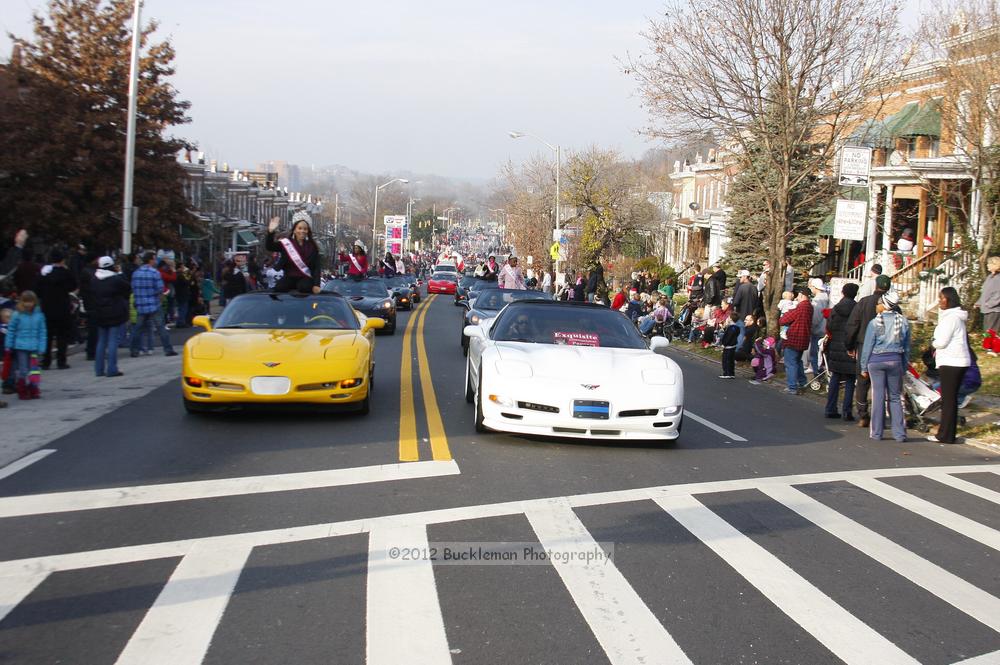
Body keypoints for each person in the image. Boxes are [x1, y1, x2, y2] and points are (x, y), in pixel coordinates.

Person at [859, 291, 910, 442]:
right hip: (895, 361)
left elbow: (867, 346)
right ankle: (899, 433)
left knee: (878, 396)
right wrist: (904, 365)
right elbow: (907, 347)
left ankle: (877, 433)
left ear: (883, 305)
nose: (876, 305)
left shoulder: (875, 323)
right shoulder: (903, 322)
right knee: (895, 396)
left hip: (876, 361)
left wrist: (863, 367)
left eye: (878, 303)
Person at [845, 273, 892, 428]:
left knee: (863, 381)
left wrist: (849, 345)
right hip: (886, 348)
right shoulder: (893, 306)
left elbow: (853, 325)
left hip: (864, 346)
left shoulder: (864, 302)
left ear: (875, 285)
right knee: (881, 384)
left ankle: (863, 414)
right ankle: (879, 416)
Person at [929, 286, 970, 443]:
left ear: (950, 299)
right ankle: (948, 433)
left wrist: (933, 343)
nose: (940, 301)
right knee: (950, 399)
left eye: (942, 298)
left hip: (952, 361)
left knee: (948, 400)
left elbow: (942, 341)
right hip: (958, 361)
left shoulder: (951, 318)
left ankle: (945, 434)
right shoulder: (955, 317)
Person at [130, 252, 177, 358]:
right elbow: (160, 289)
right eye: (154, 259)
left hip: (141, 304)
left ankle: (134, 350)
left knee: (138, 328)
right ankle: (168, 349)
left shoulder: (136, 273)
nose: (155, 261)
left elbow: (133, 288)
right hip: (153, 304)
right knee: (161, 327)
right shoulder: (154, 273)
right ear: (151, 260)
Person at [36, 248, 77, 370]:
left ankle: (46, 361)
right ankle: (61, 361)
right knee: (62, 335)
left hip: (47, 307)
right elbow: (73, 286)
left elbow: (37, 290)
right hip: (62, 307)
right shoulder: (66, 273)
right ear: (63, 260)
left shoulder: (44, 273)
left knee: (47, 335)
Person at [825, 282, 859, 420]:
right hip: (850, 347)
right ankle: (847, 411)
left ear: (843, 293)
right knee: (850, 379)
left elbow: (829, 326)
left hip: (836, 346)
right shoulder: (857, 309)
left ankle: (830, 408)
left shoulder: (836, 308)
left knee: (835, 377)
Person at [92, 256, 130, 377]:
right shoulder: (115, 279)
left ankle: (99, 369)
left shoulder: (94, 279)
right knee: (112, 341)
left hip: (99, 312)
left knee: (101, 341)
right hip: (114, 312)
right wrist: (119, 273)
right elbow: (128, 288)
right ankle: (112, 369)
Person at [5, 290, 46, 399]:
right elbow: (11, 331)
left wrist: (42, 347)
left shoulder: (39, 315)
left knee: (34, 370)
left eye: (30, 301)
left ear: (34, 302)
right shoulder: (17, 315)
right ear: (21, 302)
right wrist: (8, 345)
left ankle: (33, 389)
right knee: (23, 370)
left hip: (34, 347)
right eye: (25, 301)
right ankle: (22, 389)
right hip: (21, 346)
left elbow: (42, 332)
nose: (28, 304)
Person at [266, 214, 322, 293]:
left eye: (305, 229)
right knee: (279, 288)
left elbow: (317, 267)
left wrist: (317, 284)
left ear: (308, 231)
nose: (302, 231)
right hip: (289, 277)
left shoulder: (312, 246)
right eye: (299, 228)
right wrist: (270, 232)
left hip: (305, 278)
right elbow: (270, 247)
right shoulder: (286, 243)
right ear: (294, 230)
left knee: (304, 288)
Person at [778, 287, 813, 395]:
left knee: (790, 362)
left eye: (798, 295)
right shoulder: (810, 307)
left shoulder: (801, 307)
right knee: (798, 361)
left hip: (794, 337)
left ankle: (792, 386)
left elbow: (783, 320)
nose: (797, 297)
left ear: (802, 295)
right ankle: (802, 383)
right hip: (803, 338)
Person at [732, 269, 759, 349]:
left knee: (741, 333)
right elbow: (757, 302)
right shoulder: (754, 288)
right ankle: (747, 349)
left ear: (745, 277)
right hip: (751, 316)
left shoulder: (742, 287)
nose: (739, 279)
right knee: (749, 336)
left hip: (742, 315)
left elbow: (736, 302)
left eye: (740, 277)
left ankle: (738, 350)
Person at [975, 256, 1000, 341]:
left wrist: (989, 304)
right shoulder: (990, 277)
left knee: (991, 330)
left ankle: (992, 348)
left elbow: (998, 294)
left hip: (994, 309)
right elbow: (985, 292)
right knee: (987, 329)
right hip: (986, 308)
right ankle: (988, 346)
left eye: (989, 263)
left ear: (996, 265)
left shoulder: (998, 278)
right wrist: (979, 302)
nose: (987, 265)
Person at [808, 278, 830, 375]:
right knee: (821, 355)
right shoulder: (826, 297)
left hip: (818, 330)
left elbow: (816, 317)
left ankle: (817, 375)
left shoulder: (818, 299)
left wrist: (811, 327)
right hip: (824, 329)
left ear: (815, 287)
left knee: (815, 354)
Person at [718, 311, 740, 379]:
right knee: (731, 360)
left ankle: (726, 373)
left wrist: (724, 344)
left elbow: (728, 337)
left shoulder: (731, 328)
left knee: (726, 360)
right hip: (733, 346)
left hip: (728, 346)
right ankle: (731, 373)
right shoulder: (736, 327)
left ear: (730, 319)